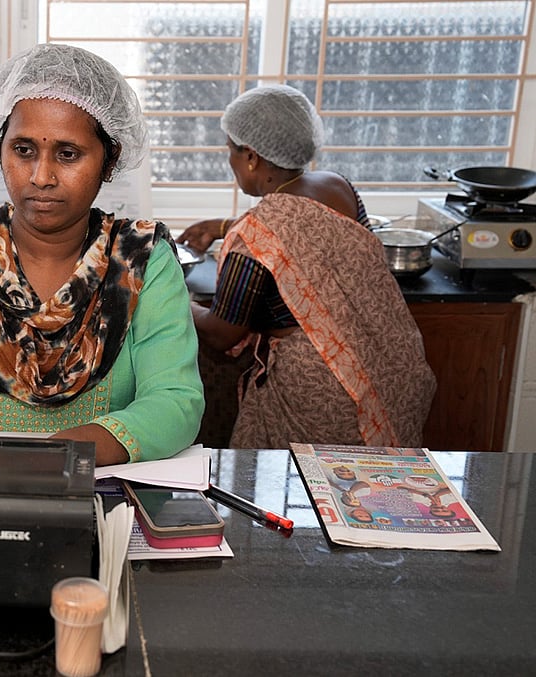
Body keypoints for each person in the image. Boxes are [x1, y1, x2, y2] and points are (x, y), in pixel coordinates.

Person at [0, 44, 205, 466]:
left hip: (99, 502)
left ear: (108, 162)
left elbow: (175, 401)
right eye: (23, 150)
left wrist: (56, 457)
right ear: (0, 151)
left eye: (68, 154)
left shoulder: (141, 261)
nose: (41, 177)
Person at [177, 84, 435, 449]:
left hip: (323, 387)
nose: (230, 162)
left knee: (304, 488)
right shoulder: (338, 186)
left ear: (251, 157)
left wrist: (178, 301)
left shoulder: (258, 233)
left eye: (230, 152)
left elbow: (223, 334)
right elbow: (313, 236)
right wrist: (223, 226)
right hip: (387, 364)